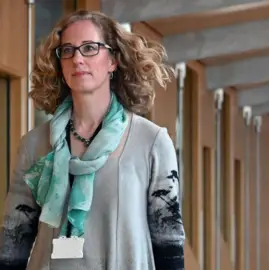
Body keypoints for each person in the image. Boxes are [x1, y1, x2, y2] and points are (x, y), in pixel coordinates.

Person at [0, 9, 185, 270]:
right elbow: (14, 238)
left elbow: (169, 242)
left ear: (113, 60)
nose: (77, 58)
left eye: (89, 48)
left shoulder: (152, 142)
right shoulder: (34, 145)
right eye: (68, 50)